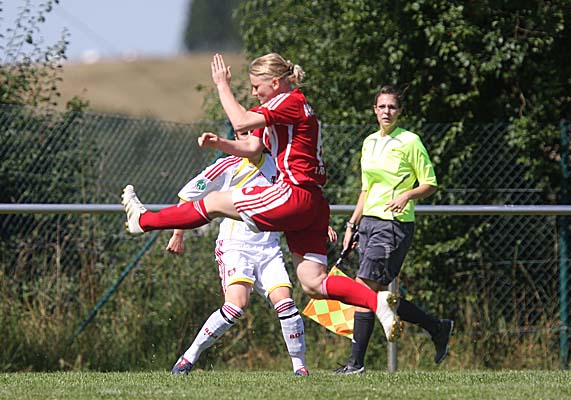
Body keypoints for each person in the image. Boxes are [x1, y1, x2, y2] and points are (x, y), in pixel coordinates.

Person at [121, 52, 400, 345]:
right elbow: (253, 147)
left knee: (213, 202)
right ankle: (376, 302)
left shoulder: (288, 101)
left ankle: (144, 220)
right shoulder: (286, 108)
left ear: (276, 83)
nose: (254, 93)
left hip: (293, 193)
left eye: (257, 86)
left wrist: (222, 85)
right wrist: (220, 143)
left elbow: (241, 122)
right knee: (313, 283)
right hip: (314, 203)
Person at [168, 130, 310, 376]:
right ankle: (189, 357)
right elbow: (188, 195)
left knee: (286, 304)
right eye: (242, 134)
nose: (248, 140)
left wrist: (317, 224)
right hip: (236, 246)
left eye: (253, 134)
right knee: (236, 306)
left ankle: (300, 367)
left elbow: (297, 200)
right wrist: (178, 233)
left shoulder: (278, 166)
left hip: (269, 248)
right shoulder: (226, 166)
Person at [335, 85, 454, 375]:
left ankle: (356, 364)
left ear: (400, 111)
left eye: (392, 107)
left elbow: (430, 183)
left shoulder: (410, 141)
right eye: (382, 106)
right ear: (374, 110)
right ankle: (436, 327)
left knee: (364, 288)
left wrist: (407, 195)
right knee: (373, 293)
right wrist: (352, 225)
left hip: (393, 224)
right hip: (368, 223)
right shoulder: (368, 142)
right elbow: (366, 189)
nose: (387, 111)